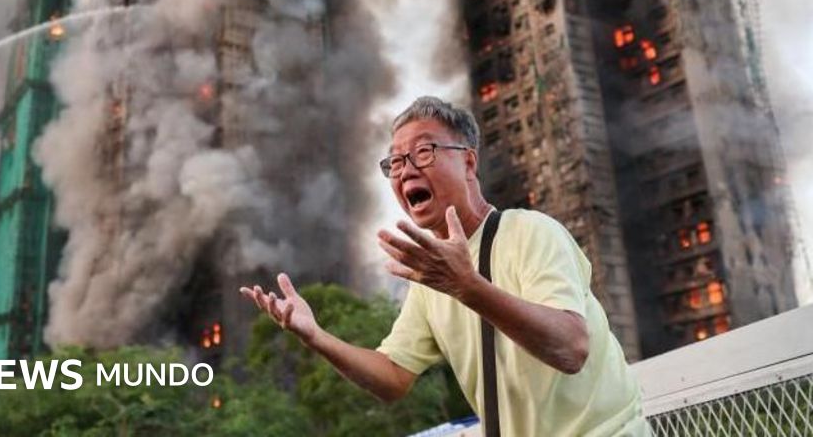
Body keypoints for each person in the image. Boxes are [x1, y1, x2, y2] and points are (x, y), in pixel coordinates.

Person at [240, 96, 651, 436]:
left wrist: (467, 287)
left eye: (423, 151)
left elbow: (571, 348)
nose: (406, 169)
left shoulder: (531, 232)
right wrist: (316, 336)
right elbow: (393, 377)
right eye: (395, 162)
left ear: (469, 162)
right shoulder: (431, 281)